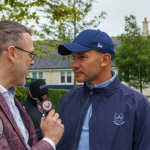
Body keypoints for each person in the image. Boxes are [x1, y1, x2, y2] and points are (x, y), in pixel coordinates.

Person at [56, 29, 150, 150]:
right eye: (74, 58)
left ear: (105, 60)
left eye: (82, 57)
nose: (74, 65)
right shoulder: (67, 100)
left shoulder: (137, 104)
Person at [0, 20, 64, 150]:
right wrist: (49, 141)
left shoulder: (11, 98)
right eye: (30, 54)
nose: (33, 62)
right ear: (12, 54)